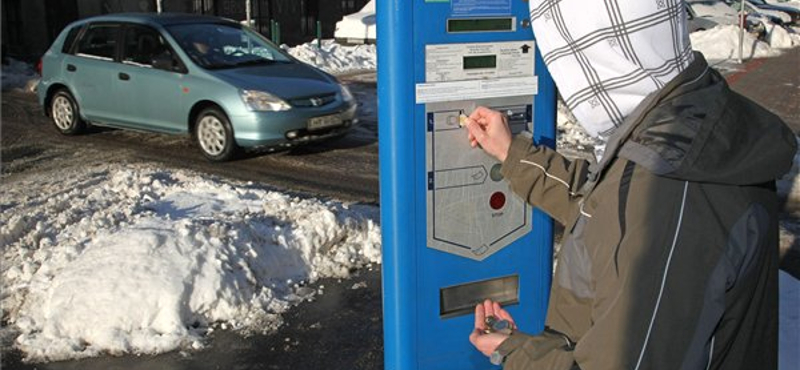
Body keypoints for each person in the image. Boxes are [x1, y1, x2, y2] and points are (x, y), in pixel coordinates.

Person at [465, 1, 797, 369]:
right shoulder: (689, 127)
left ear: (594, 58)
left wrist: (517, 352)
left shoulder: (672, 190)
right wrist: (515, 155)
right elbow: (605, 209)